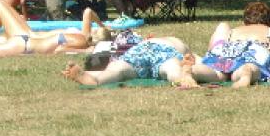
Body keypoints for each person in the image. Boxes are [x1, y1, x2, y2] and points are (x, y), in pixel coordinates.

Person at [189, 1, 270, 88]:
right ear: (269, 21)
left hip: (229, 48)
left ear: (245, 21)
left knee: (218, 72)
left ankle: (193, 71)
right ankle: (246, 72)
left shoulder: (235, 31)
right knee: (252, 66)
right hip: (257, 49)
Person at [62, 36, 197, 87]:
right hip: (165, 52)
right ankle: (181, 78)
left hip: (139, 52)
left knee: (118, 69)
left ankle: (96, 80)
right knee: (172, 67)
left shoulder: (146, 41)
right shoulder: (175, 42)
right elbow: (194, 60)